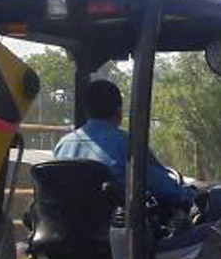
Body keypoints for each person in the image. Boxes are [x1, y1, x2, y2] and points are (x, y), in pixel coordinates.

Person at [53, 79, 195, 208]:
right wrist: (190, 194)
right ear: (118, 111)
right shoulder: (128, 145)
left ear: (86, 111)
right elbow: (165, 189)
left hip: (65, 227)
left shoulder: (63, 145)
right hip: (114, 227)